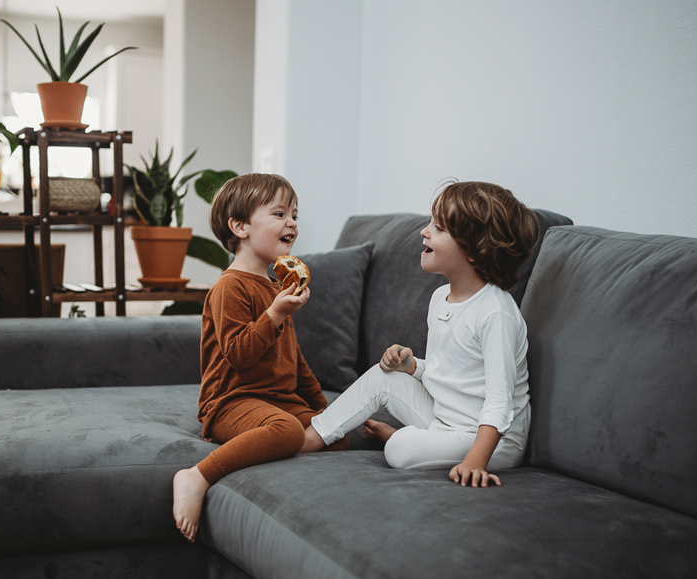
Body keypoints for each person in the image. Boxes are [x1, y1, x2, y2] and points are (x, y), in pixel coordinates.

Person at [299, 180, 539, 488]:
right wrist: (412, 368)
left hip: (492, 440)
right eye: (430, 223)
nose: (424, 231)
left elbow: (499, 402)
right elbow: (448, 373)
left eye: (439, 228)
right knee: (382, 376)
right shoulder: (440, 298)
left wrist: (475, 462)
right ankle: (314, 436)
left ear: (475, 251)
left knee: (399, 450)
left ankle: (410, 439)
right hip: (444, 419)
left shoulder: (496, 312)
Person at [172, 173, 341, 542]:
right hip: (232, 402)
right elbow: (238, 356)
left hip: (278, 400)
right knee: (285, 431)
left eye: (295, 214)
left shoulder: (277, 288)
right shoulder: (229, 286)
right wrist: (275, 314)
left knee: (341, 432)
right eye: (279, 214)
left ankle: (310, 434)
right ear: (240, 226)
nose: (292, 223)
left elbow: (295, 362)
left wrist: (326, 411)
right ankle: (196, 476)